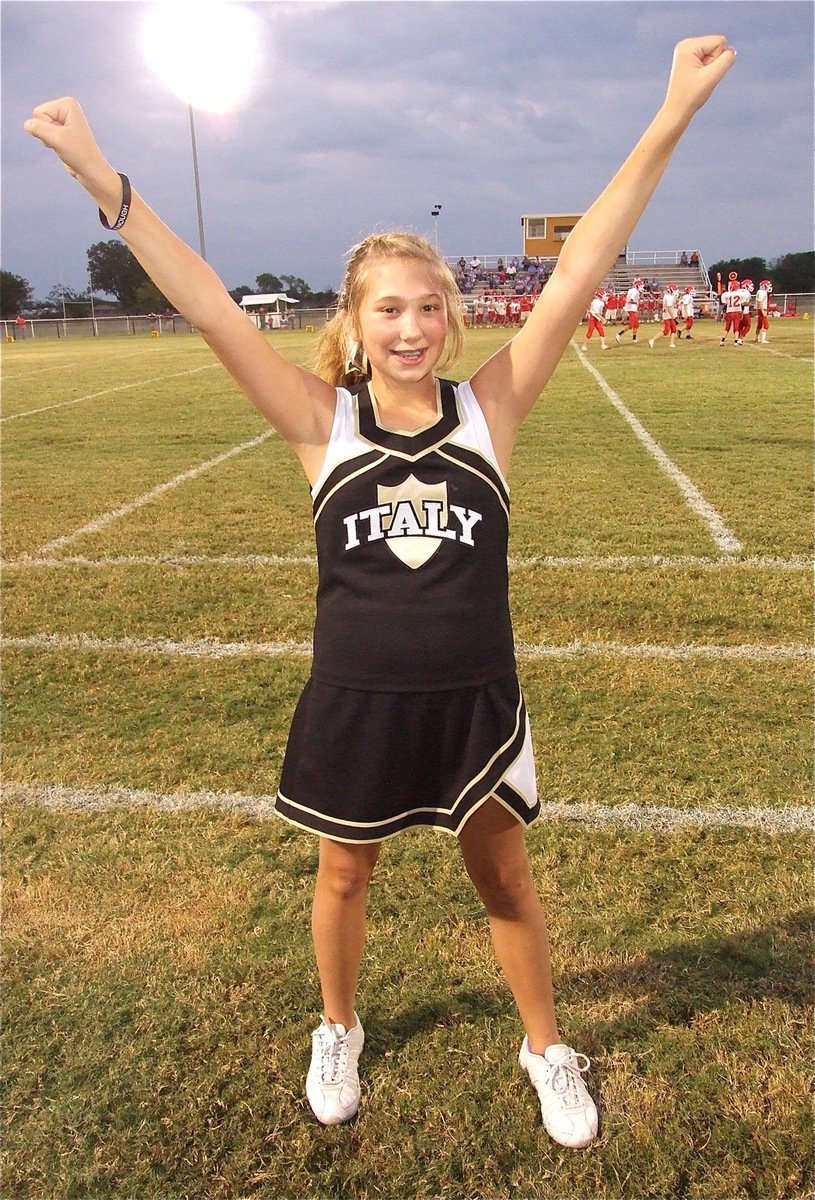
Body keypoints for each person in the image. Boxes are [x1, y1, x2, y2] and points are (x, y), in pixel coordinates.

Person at [24, 34, 735, 1151]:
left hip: (474, 703)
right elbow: (209, 304)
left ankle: (544, 1046)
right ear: (352, 326)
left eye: (427, 308)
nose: (409, 328)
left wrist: (670, 112)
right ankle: (339, 1025)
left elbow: (584, 266)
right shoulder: (324, 427)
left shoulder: (487, 415)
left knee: (504, 879)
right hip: (353, 698)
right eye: (386, 311)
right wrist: (97, 175)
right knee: (342, 878)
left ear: (451, 318)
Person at [648, 283, 679, 349]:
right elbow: (669, 308)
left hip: (668, 315)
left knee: (674, 329)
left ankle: (672, 343)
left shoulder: (667, 296)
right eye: (675, 289)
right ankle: (652, 340)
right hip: (668, 316)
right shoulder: (669, 297)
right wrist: (674, 317)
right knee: (666, 331)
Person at [615, 277, 643, 343]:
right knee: (631, 325)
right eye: (640, 285)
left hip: (631, 308)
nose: (641, 287)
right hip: (631, 309)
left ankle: (634, 339)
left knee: (636, 325)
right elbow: (631, 300)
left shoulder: (632, 290)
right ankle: (619, 334)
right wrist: (637, 302)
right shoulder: (635, 291)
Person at [754, 279, 772, 343]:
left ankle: (756, 338)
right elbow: (760, 301)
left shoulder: (760, 291)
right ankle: (763, 339)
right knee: (766, 325)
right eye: (768, 285)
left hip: (759, 309)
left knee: (759, 324)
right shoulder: (763, 292)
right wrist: (762, 310)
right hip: (761, 309)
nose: (769, 287)